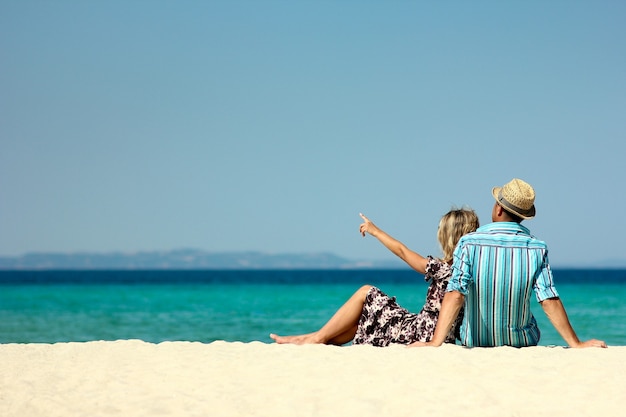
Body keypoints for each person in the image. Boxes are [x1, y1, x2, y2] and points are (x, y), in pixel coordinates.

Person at [410, 178, 607, 349]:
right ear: (523, 216)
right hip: (521, 342)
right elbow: (548, 299)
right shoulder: (537, 248)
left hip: (476, 341)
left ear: (498, 208)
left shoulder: (469, 242)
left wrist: (435, 342)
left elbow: (456, 294)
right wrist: (576, 343)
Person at [269, 208, 480, 346]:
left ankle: (314, 338)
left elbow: (402, 251)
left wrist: (374, 230)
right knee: (363, 318)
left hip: (420, 334)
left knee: (365, 292)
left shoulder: (444, 269)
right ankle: (315, 338)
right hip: (428, 330)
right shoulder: (472, 271)